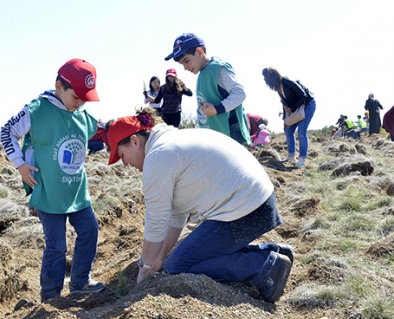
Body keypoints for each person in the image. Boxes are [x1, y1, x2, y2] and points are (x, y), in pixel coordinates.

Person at [106, 108, 294, 303]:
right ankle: (275, 253)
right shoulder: (170, 143)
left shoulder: (158, 156)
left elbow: (156, 221)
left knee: (178, 266)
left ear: (135, 141)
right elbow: (176, 216)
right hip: (259, 203)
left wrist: (145, 267)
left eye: (122, 155)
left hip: (244, 211)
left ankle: (264, 266)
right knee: (177, 259)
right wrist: (158, 259)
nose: (125, 164)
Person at [0, 58, 105, 301]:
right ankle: (50, 296)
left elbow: (104, 130)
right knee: (57, 246)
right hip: (47, 190)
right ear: (59, 86)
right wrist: (20, 164)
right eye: (76, 97)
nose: (79, 103)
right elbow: (7, 131)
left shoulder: (82, 114)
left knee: (90, 230)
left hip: (77, 191)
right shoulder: (37, 110)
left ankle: (80, 282)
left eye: (84, 99)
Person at [165, 33, 251, 145]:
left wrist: (217, 109)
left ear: (200, 52)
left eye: (186, 61)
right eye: (182, 64)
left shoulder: (218, 68)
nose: (185, 67)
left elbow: (240, 93)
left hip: (231, 131)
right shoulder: (202, 73)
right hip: (217, 134)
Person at [262, 67, 316, 169]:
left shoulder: (286, 81)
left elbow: (303, 95)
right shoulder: (278, 89)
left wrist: (292, 108)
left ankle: (302, 159)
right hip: (296, 109)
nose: (266, 82)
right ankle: (291, 156)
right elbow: (284, 104)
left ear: (272, 78)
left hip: (308, 105)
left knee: (301, 131)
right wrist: (285, 120)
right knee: (288, 131)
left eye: (266, 80)